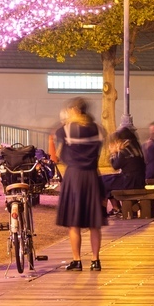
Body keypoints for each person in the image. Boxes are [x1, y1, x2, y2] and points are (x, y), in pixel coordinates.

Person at [51, 97, 106, 271]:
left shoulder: (66, 129)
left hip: (74, 176)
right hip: (92, 176)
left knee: (74, 222)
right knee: (94, 223)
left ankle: (77, 259)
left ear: (75, 110)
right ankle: (96, 260)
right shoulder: (98, 129)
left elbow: (55, 151)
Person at [100, 122, 146, 217]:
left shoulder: (125, 150)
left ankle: (104, 211)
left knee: (101, 181)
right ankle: (116, 208)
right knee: (107, 180)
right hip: (139, 180)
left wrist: (113, 153)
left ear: (121, 140)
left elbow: (115, 166)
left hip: (130, 181)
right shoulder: (136, 147)